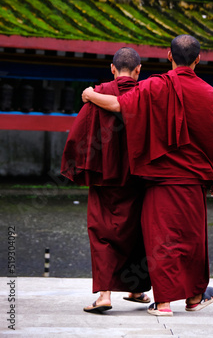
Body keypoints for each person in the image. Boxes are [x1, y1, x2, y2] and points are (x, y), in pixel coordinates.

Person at [82, 35, 213, 316]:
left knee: (162, 241)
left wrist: (89, 95)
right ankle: (194, 298)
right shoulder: (208, 93)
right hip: (193, 181)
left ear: (168, 56)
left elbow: (120, 105)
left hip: (159, 181)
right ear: (198, 60)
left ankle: (163, 304)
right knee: (193, 240)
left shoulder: (155, 85)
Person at [61, 47, 151, 313]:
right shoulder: (147, 96)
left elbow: (77, 137)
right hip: (138, 180)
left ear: (112, 69)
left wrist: (79, 169)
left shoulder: (97, 95)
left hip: (105, 181)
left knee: (102, 234)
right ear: (138, 70)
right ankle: (136, 288)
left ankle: (105, 296)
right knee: (137, 232)